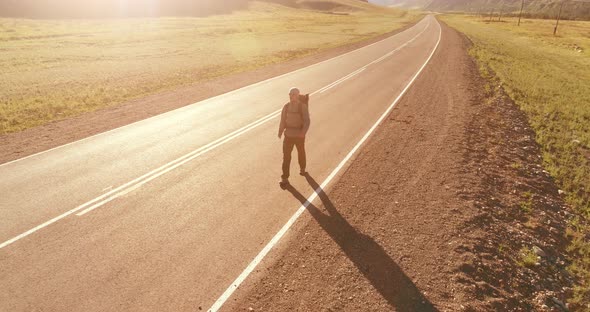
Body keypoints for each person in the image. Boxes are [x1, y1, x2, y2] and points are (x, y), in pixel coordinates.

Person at [278, 87, 310, 189]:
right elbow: (282, 120)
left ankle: (302, 168)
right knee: (286, 157)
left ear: (297, 95)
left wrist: (303, 133)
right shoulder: (286, 107)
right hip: (288, 136)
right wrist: (280, 131)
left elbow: (307, 121)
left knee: (301, 152)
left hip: (299, 136)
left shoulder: (302, 107)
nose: (291, 96)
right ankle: (285, 178)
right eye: (290, 94)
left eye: (293, 94)